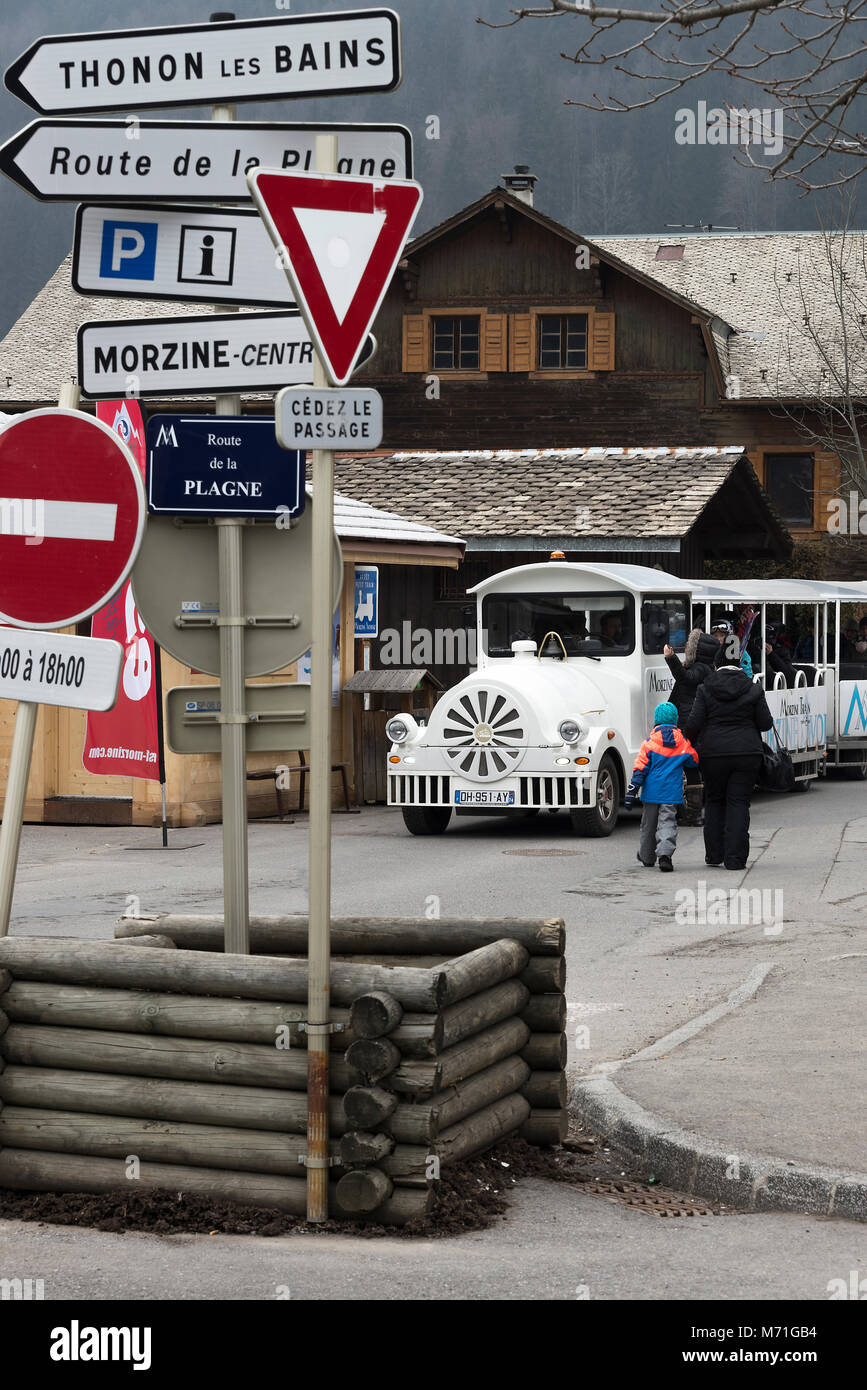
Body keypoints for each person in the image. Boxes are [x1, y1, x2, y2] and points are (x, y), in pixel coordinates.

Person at [686, 643, 774, 872]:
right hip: (747, 753)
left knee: (714, 801)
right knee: (738, 804)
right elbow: (765, 723)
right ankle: (735, 860)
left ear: (716, 664)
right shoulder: (753, 688)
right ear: (739, 664)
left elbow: (693, 724)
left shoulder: (705, 688)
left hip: (713, 754)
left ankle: (714, 854)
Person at [624, 700, 699, 873]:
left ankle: (647, 856)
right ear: (675, 720)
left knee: (648, 825)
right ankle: (665, 855)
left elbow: (640, 769)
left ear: (656, 720)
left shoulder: (649, 742)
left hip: (651, 793)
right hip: (671, 793)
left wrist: (631, 792)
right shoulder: (682, 741)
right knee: (667, 822)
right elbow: (693, 760)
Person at [663, 628, 719, 826]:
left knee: (689, 766)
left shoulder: (700, 669)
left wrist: (671, 658)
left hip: (688, 724)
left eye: (690, 645)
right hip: (691, 723)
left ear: (698, 650)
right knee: (691, 766)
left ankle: (694, 813)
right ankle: (693, 811)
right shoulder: (704, 668)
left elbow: (684, 679)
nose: (686, 647)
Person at [765, 623, 797, 687]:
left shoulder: (783, 650)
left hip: (778, 686)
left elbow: (788, 673)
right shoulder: (759, 647)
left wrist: (771, 654)